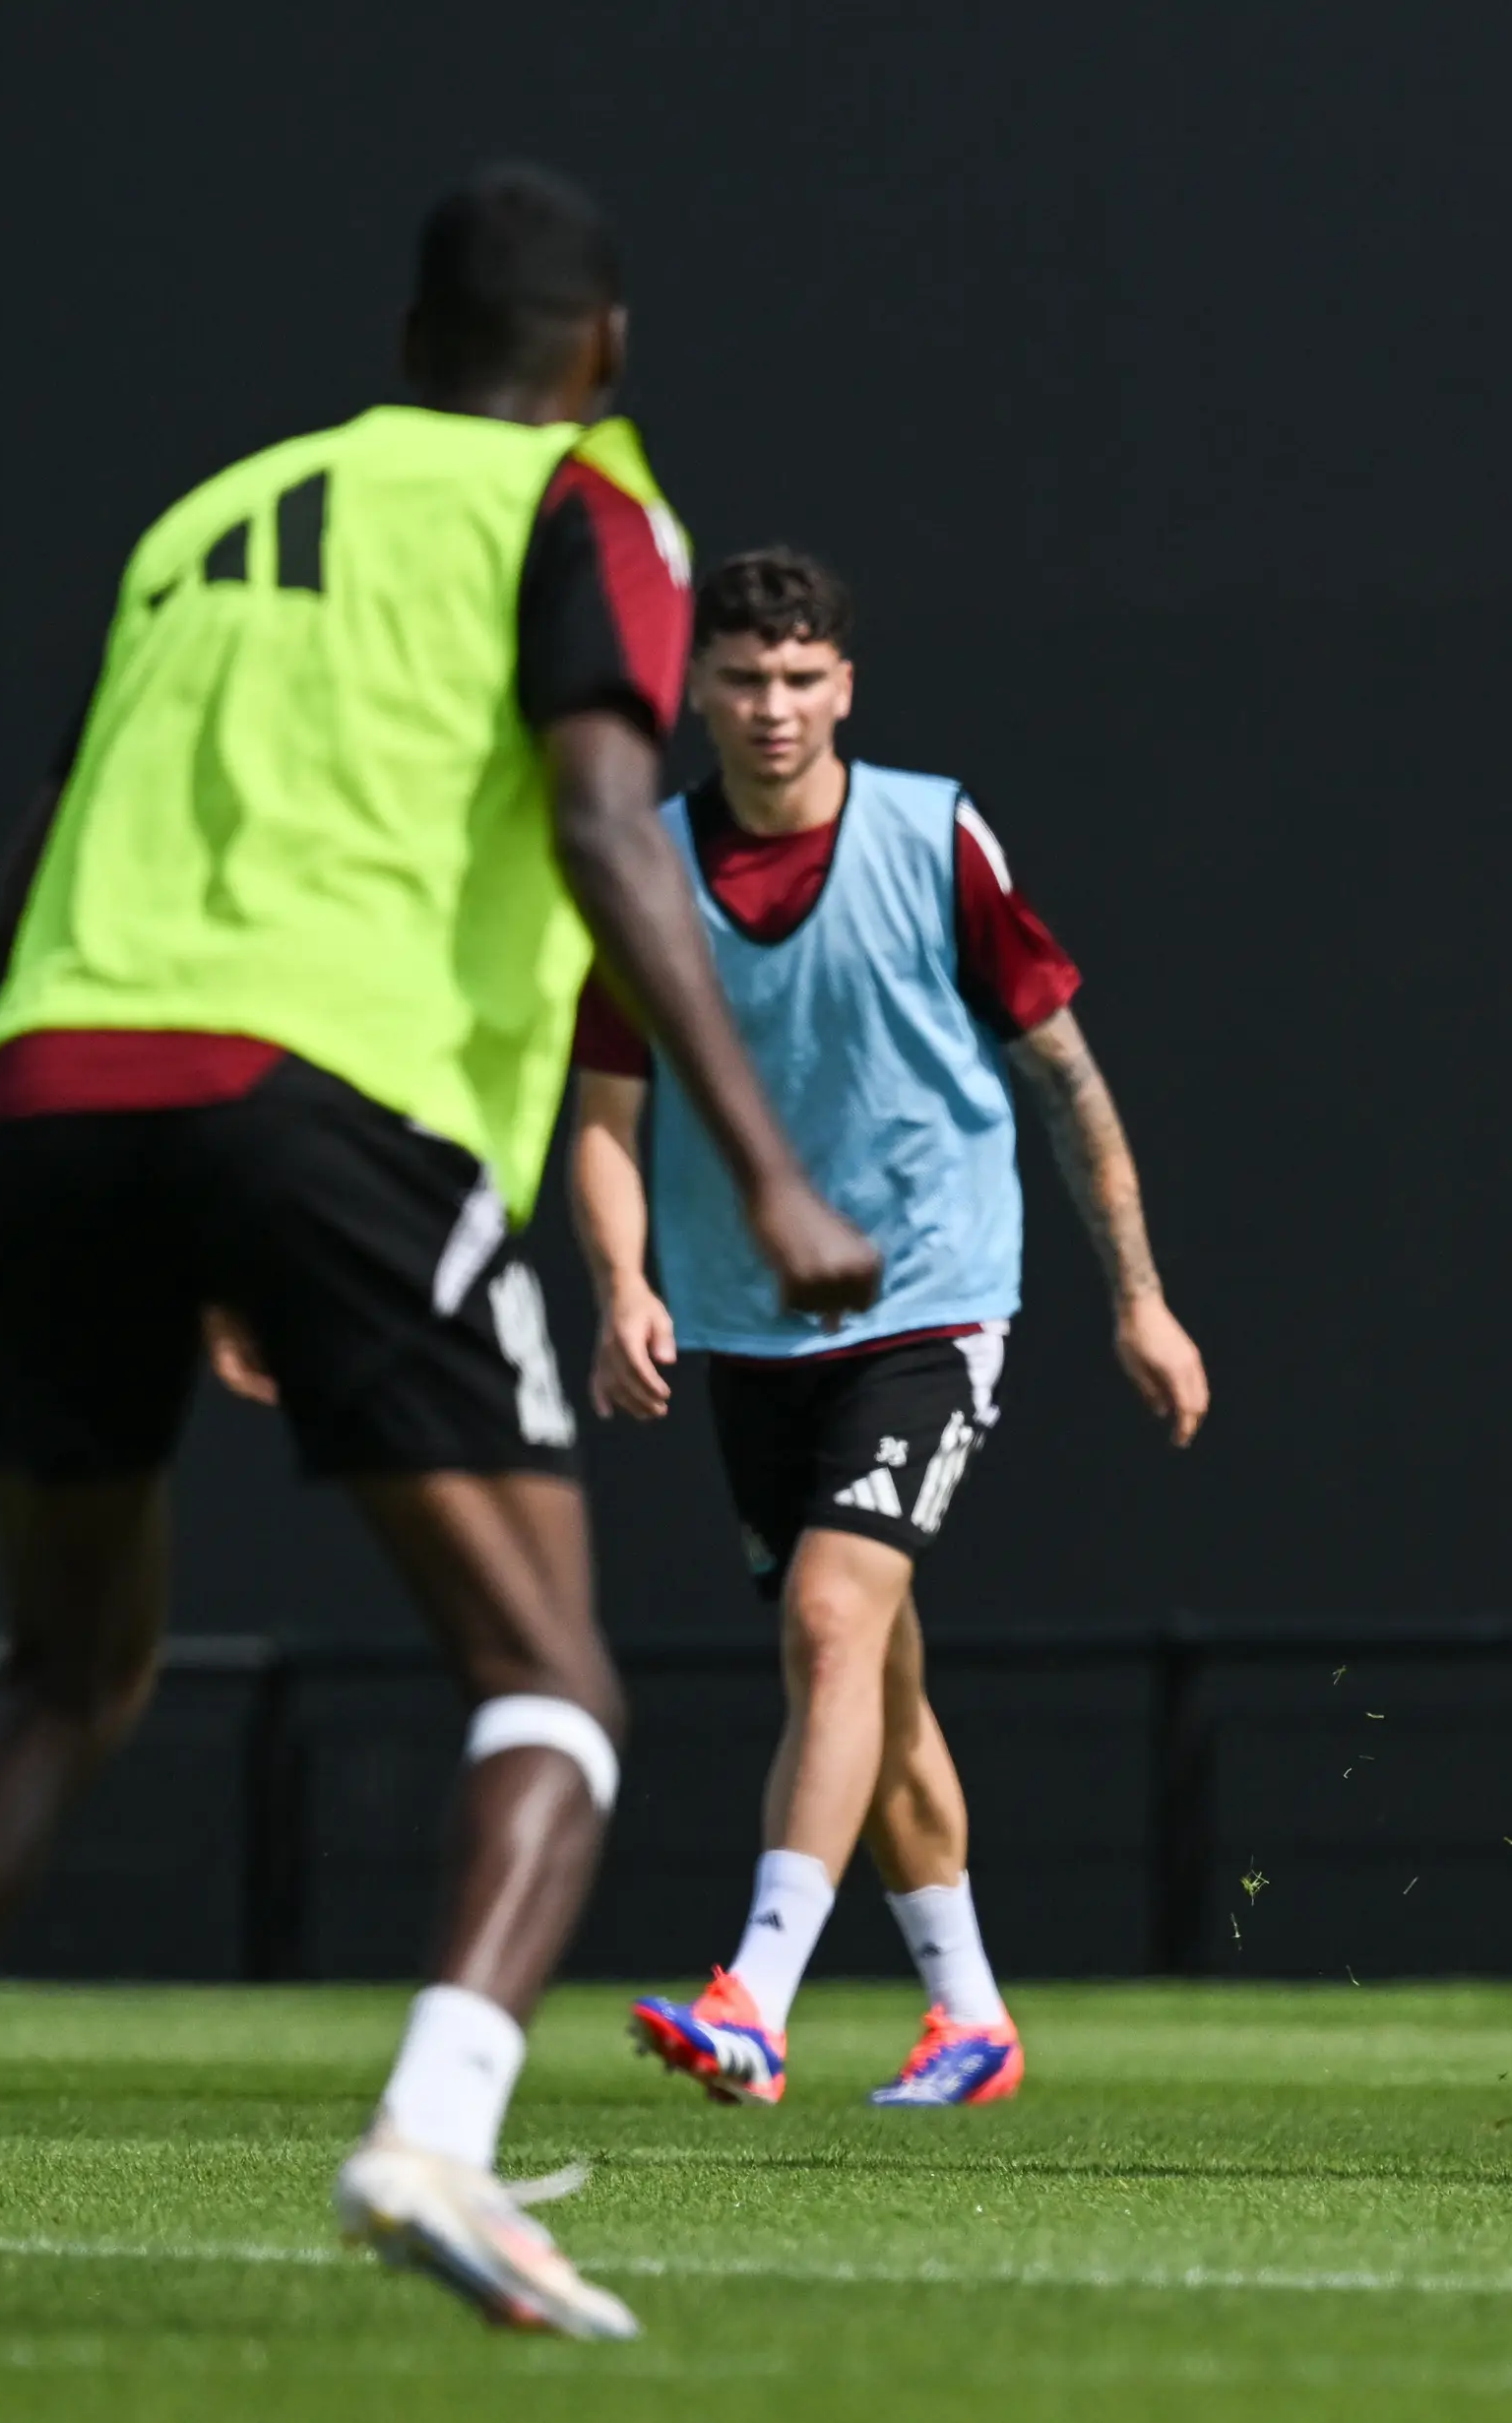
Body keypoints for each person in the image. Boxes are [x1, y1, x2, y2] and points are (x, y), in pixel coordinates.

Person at [0, 165, 879, 2337]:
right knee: (550, 1681)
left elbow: (113, 828)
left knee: (66, 1673)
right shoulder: (586, 504)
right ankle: (433, 2138)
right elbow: (593, 819)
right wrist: (758, 1169)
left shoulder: (209, 515)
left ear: (403, 348)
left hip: (54, 1090)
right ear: (603, 358)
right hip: (334, 1104)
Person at [583, 548, 1207, 2112]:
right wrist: (622, 1286)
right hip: (742, 1327)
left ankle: (758, 1994)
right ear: (697, 691)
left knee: (828, 1625)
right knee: (877, 1674)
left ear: (845, 685)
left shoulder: (933, 836)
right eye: (742, 678)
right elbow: (600, 1111)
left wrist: (1137, 1295)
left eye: (802, 678)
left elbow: (1062, 1073)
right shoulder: (644, 865)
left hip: (931, 1300)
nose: (773, 708)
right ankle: (970, 2016)